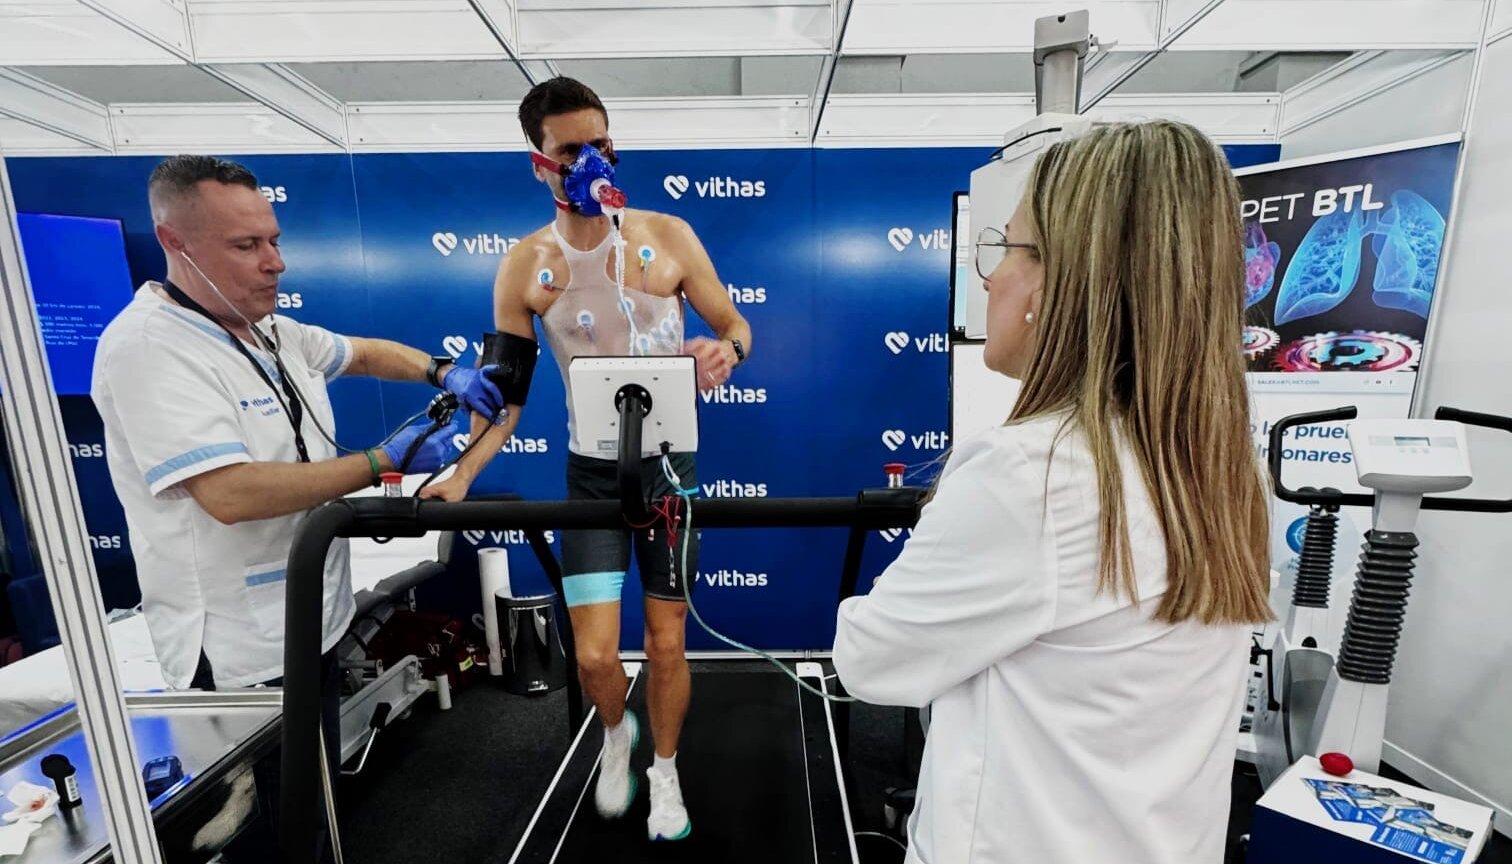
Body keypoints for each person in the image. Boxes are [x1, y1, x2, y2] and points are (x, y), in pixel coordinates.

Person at [832, 120, 1273, 864]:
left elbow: (870, 659)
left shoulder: (1033, 477)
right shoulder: (1212, 463)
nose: (989, 275)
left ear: (1064, 280)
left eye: (1006, 247)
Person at [420, 76, 753, 842]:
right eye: (571, 150)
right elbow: (504, 394)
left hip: (671, 474)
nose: (590, 162)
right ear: (539, 162)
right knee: (599, 655)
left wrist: (723, 350)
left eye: (601, 145)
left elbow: (735, 323)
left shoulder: (667, 235)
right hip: (592, 477)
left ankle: (665, 772)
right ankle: (615, 735)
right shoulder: (521, 266)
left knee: (667, 641)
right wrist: (463, 473)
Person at [91, 154, 504, 757]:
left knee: (320, 795)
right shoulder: (149, 347)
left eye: (274, 240)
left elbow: (361, 353)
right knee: (276, 817)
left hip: (313, 614)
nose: (274, 262)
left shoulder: (266, 329)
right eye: (246, 245)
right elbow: (230, 494)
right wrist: (381, 462)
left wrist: (443, 372)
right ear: (172, 242)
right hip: (241, 648)